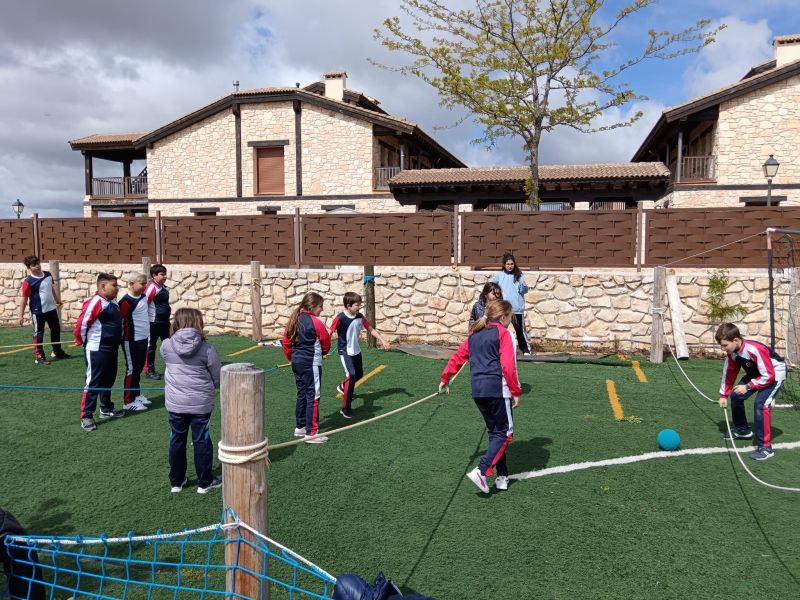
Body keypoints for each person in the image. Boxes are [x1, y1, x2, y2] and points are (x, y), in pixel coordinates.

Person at [439, 300, 522, 493]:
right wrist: (516, 391)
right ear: (503, 317)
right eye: (510, 318)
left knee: (495, 433)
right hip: (497, 390)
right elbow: (509, 367)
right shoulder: (504, 334)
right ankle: (482, 470)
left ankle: (502, 476)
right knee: (505, 432)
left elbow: (458, 356)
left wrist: (445, 377)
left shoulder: (474, 334)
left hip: (478, 391)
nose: (511, 321)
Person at [161, 308, 222, 494]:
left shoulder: (166, 345)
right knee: (201, 440)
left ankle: (176, 481)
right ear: (198, 323)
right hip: (200, 404)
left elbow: (167, 361)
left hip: (176, 403)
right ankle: (205, 482)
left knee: (177, 440)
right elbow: (218, 377)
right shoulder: (207, 349)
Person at [716, 322, 786, 461]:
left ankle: (765, 448)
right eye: (721, 346)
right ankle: (742, 430)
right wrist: (724, 395)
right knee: (735, 395)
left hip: (774, 374)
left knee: (761, 404)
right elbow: (729, 373)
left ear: (736, 340)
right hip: (757, 373)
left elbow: (769, 376)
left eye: (725, 345)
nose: (723, 349)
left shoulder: (753, 349)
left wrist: (748, 387)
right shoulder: (732, 353)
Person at [74, 273, 125, 431]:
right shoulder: (95, 302)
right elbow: (82, 324)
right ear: (103, 286)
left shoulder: (113, 302)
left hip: (112, 348)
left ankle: (106, 408)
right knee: (93, 381)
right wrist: (81, 340)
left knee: (109, 378)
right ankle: (86, 416)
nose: (117, 288)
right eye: (114, 285)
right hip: (97, 349)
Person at [329, 292, 391, 419]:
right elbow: (329, 332)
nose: (359, 307)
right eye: (357, 305)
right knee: (351, 375)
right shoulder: (340, 318)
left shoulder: (360, 317)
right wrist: (322, 347)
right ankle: (345, 409)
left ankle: (343, 387)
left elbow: (371, 329)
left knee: (359, 375)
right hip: (345, 351)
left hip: (356, 351)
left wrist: (383, 340)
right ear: (348, 305)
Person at [282, 292, 331, 444]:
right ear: (312, 306)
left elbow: (286, 342)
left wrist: (291, 358)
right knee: (313, 395)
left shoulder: (294, 319)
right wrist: (323, 353)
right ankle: (311, 433)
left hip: (297, 361)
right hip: (311, 363)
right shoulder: (315, 322)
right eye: (320, 306)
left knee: (302, 393)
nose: (322, 309)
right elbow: (326, 341)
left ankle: (301, 426)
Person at [17, 255, 68, 365]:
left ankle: (57, 351)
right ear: (29, 268)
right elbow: (24, 299)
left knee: (56, 330)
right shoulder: (28, 282)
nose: (37, 266)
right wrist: (20, 316)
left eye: (38, 263)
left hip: (51, 309)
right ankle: (39, 356)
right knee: (39, 333)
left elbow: (51, 289)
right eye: (34, 265)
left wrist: (57, 300)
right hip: (38, 311)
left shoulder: (48, 275)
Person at [118, 273, 151, 412]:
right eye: (142, 284)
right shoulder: (126, 301)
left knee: (138, 368)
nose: (145, 286)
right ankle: (128, 401)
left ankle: (136, 395)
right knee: (131, 369)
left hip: (143, 338)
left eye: (145, 283)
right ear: (131, 284)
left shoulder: (143, 297)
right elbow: (119, 321)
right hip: (130, 340)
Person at [491, 253, 531, 355]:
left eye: (512, 264)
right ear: (504, 265)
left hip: (517, 309)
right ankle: (497, 350)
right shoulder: (500, 275)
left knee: (520, 331)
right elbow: (491, 285)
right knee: (500, 330)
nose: (510, 266)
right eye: (508, 264)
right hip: (504, 309)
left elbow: (523, 291)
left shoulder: (519, 275)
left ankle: (526, 351)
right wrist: (497, 296)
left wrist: (524, 287)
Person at [144, 264, 171, 380]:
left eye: (165, 274)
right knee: (151, 347)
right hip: (153, 323)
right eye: (162, 274)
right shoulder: (151, 288)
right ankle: (149, 371)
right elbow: (143, 304)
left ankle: (172, 369)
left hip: (165, 322)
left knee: (169, 346)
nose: (165, 276)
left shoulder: (164, 288)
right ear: (154, 275)